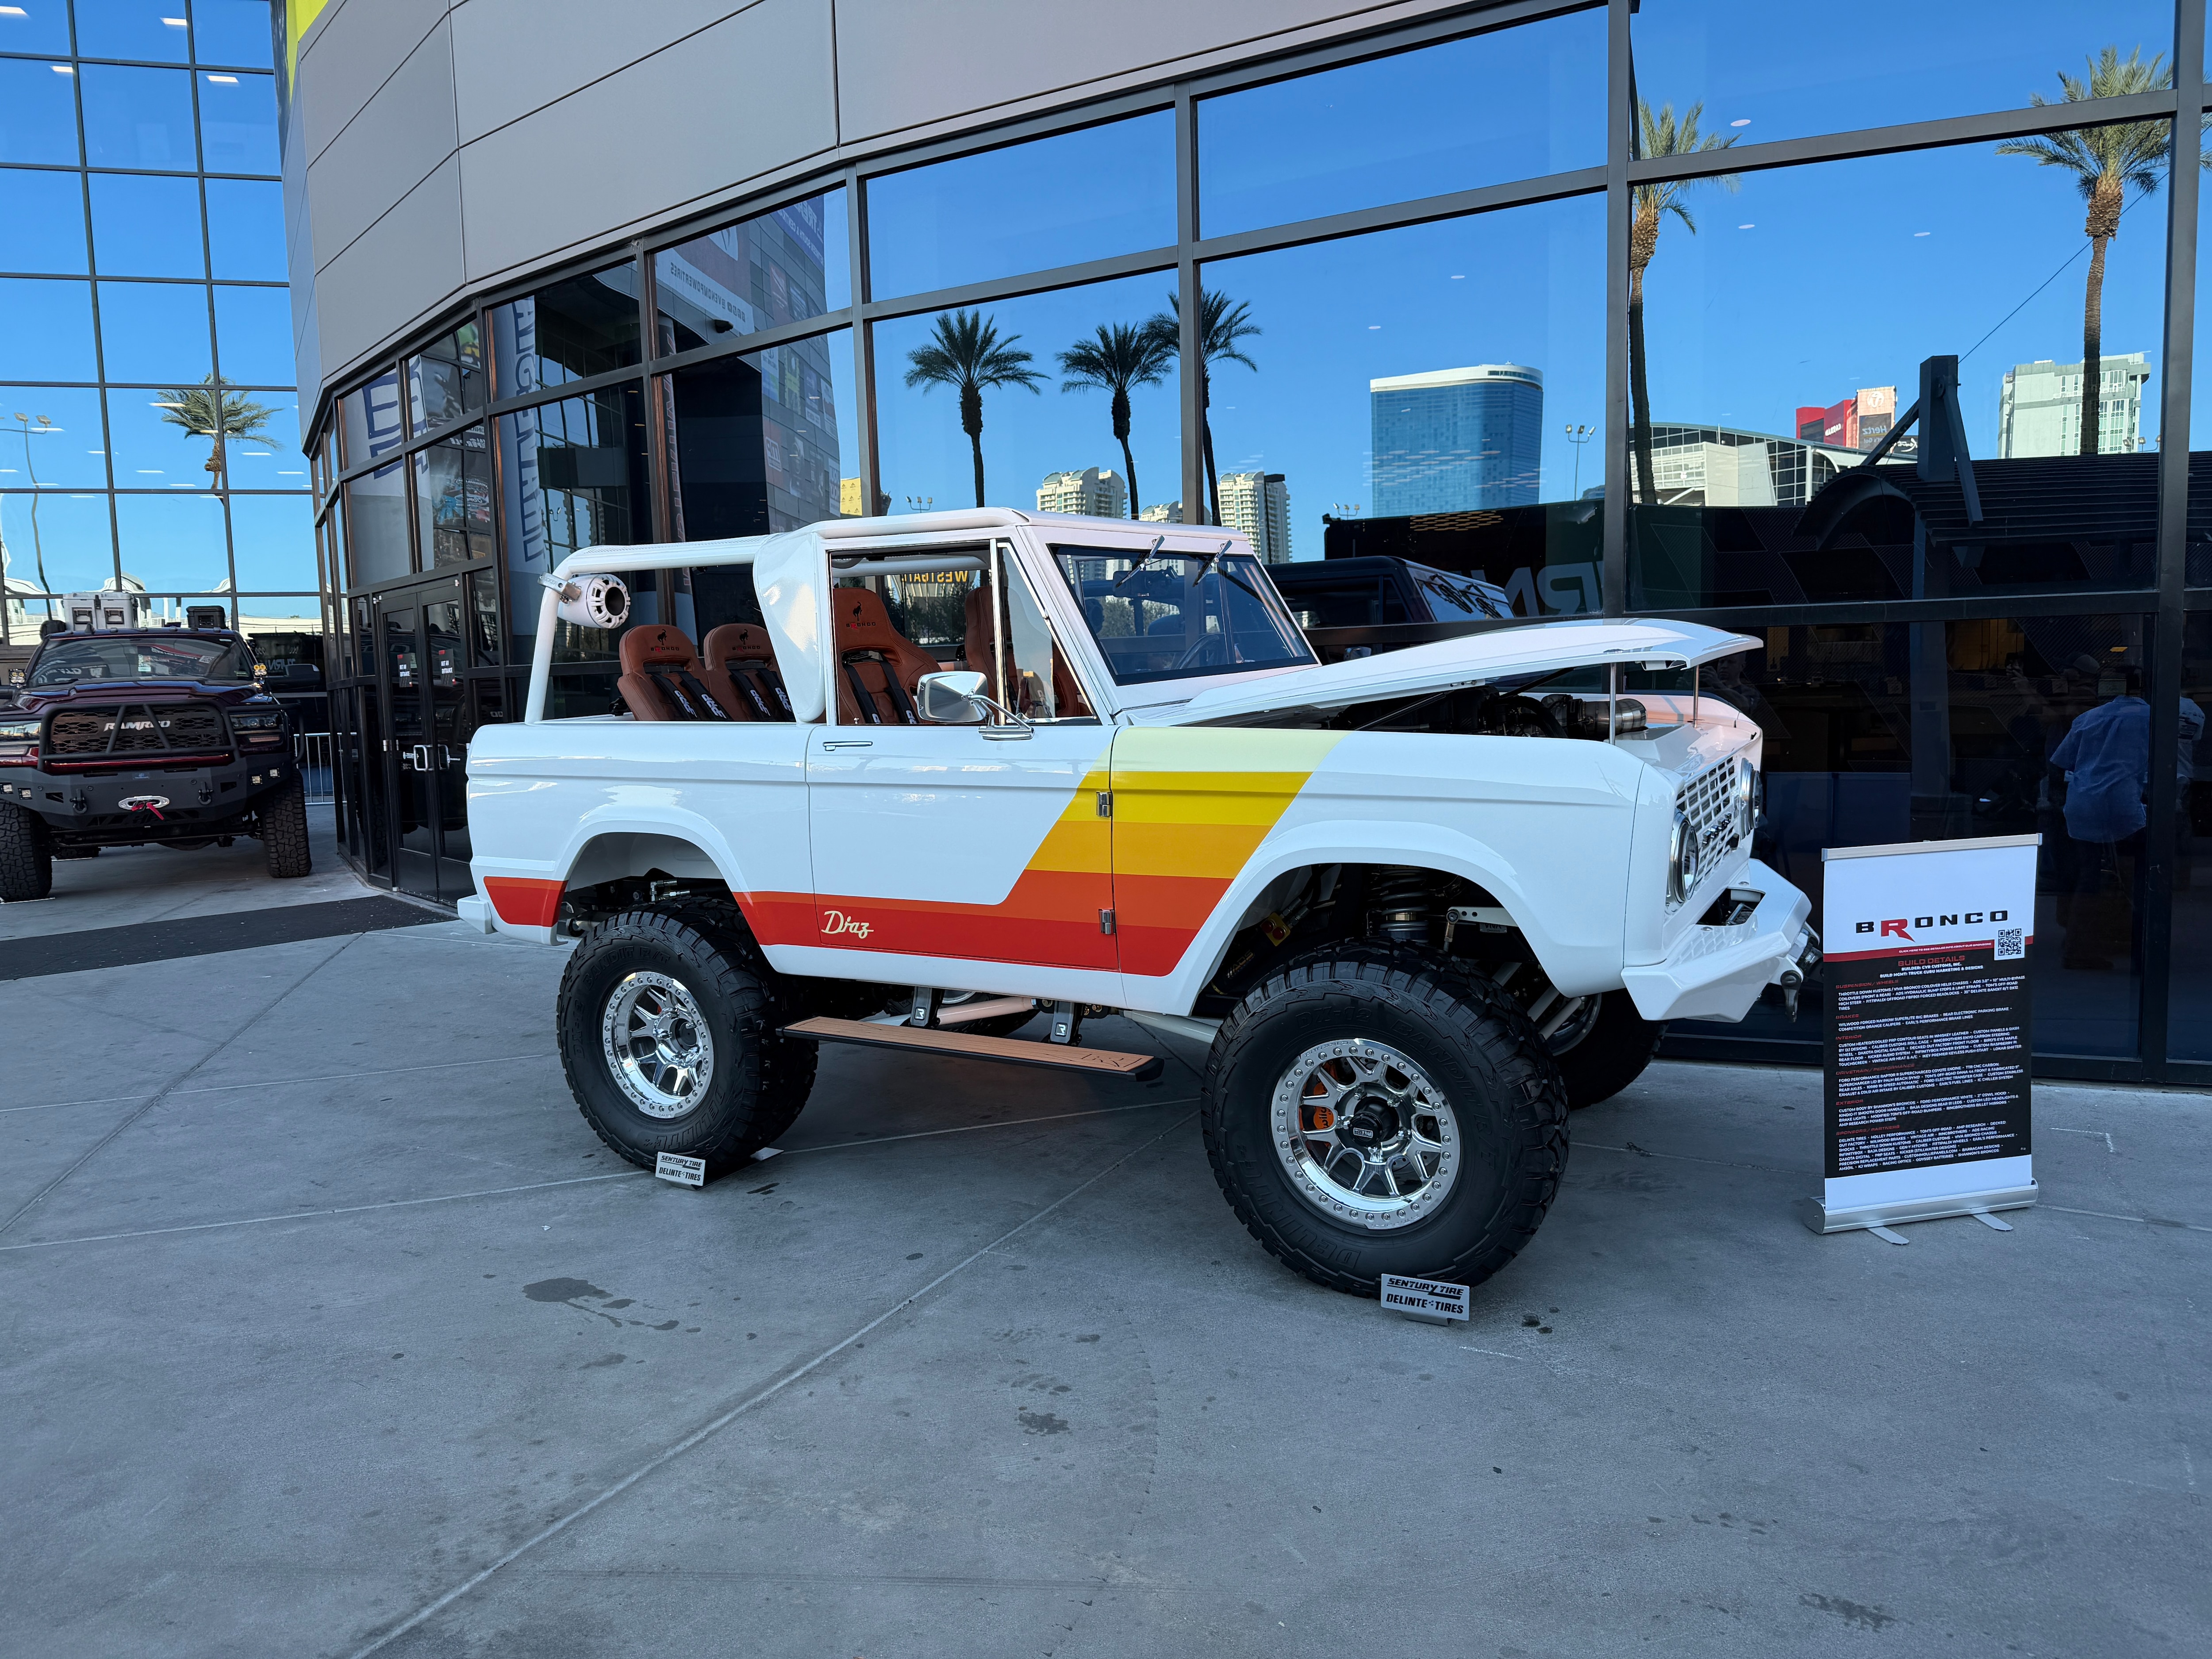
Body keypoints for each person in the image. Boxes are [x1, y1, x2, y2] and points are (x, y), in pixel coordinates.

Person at [2050, 663, 2148, 971]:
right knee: (2135, 875)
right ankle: (2129, 942)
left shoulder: (2088, 718)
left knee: (2088, 876)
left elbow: (2062, 762)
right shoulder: (2153, 718)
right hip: (2125, 805)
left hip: (2083, 805)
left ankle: (2079, 944)